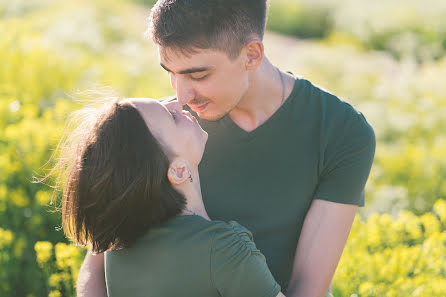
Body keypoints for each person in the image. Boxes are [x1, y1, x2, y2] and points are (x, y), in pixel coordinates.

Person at [77, 1, 376, 297]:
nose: (180, 97)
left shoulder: (341, 131)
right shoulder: (166, 134)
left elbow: (307, 288)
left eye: (198, 75)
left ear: (251, 55)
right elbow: (102, 257)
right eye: (171, 71)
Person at [55, 97, 285, 297]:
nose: (178, 103)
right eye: (172, 117)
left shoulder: (116, 248)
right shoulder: (224, 248)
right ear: (178, 171)